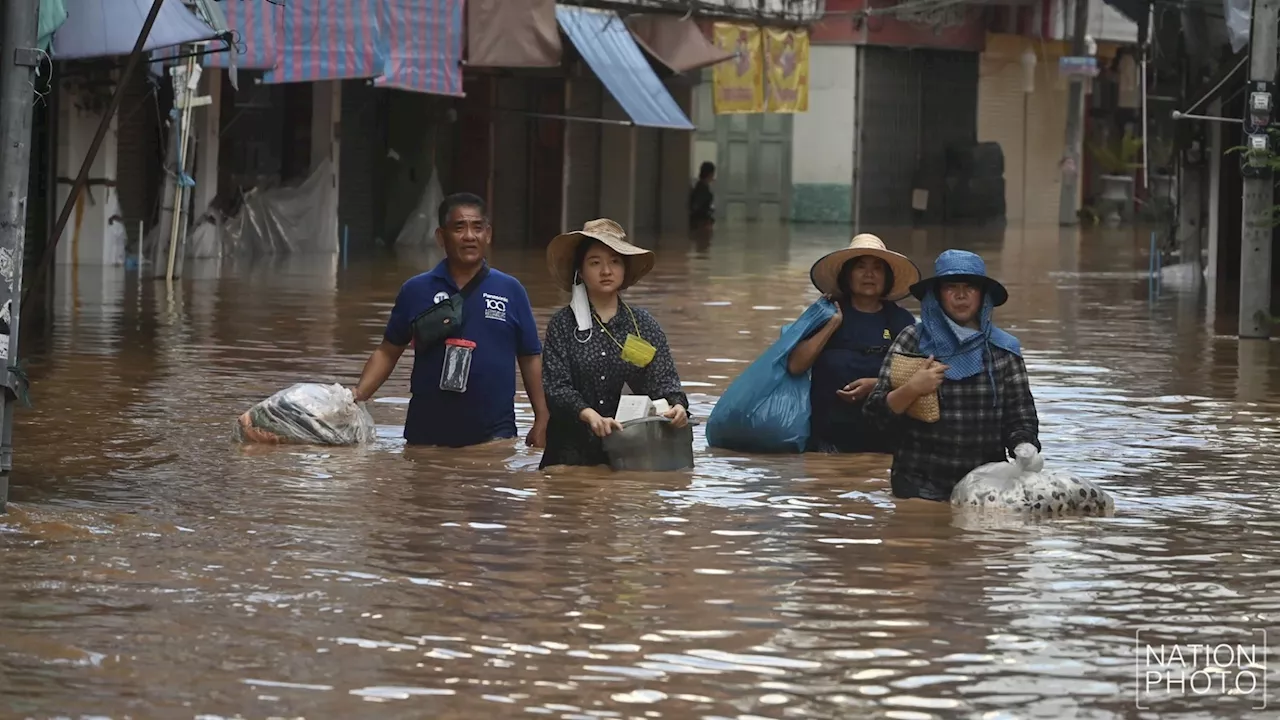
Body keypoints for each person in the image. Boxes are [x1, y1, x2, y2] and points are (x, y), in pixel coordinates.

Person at [352, 192, 549, 448]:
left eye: (477, 228)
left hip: (493, 437)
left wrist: (543, 417)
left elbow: (530, 356)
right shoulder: (416, 290)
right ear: (440, 237)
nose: (469, 236)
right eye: (459, 227)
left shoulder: (511, 290)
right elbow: (389, 351)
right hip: (425, 437)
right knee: (426, 484)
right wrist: (357, 397)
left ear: (488, 234)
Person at [863, 249, 1041, 501]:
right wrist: (912, 388)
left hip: (984, 487)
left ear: (982, 296)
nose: (961, 295)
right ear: (937, 295)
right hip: (917, 484)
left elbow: (1020, 416)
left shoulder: (1003, 349)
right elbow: (875, 416)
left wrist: (1024, 447)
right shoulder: (912, 341)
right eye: (951, 287)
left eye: (970, 287)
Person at [539, 219, 689, 469]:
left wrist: (678, 407)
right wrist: (588, 415)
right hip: (569, 455)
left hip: (627, 454)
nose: (606, 271)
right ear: (581, 271)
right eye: (595, 263)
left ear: (625, 269)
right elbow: (556, 388)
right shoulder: (563, 324)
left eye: (614, 261)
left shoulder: (642, 325)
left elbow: (663, 381)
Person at [786, 234, 920, 454]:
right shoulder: (825, 313)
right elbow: (795, 366)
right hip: (826, 442)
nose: (869, 274)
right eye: (861, 267)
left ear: (886, 278)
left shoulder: (901, 321)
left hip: (883, 443)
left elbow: (918, 380)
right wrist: (832, 325)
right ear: (847, 275)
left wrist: (876, 384)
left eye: (877, 268)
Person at [689, 161, 716, 231]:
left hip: (702, 221)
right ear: (710, 174)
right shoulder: (702, 188)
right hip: (701, 222)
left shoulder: (702, 186)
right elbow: (696, 206)